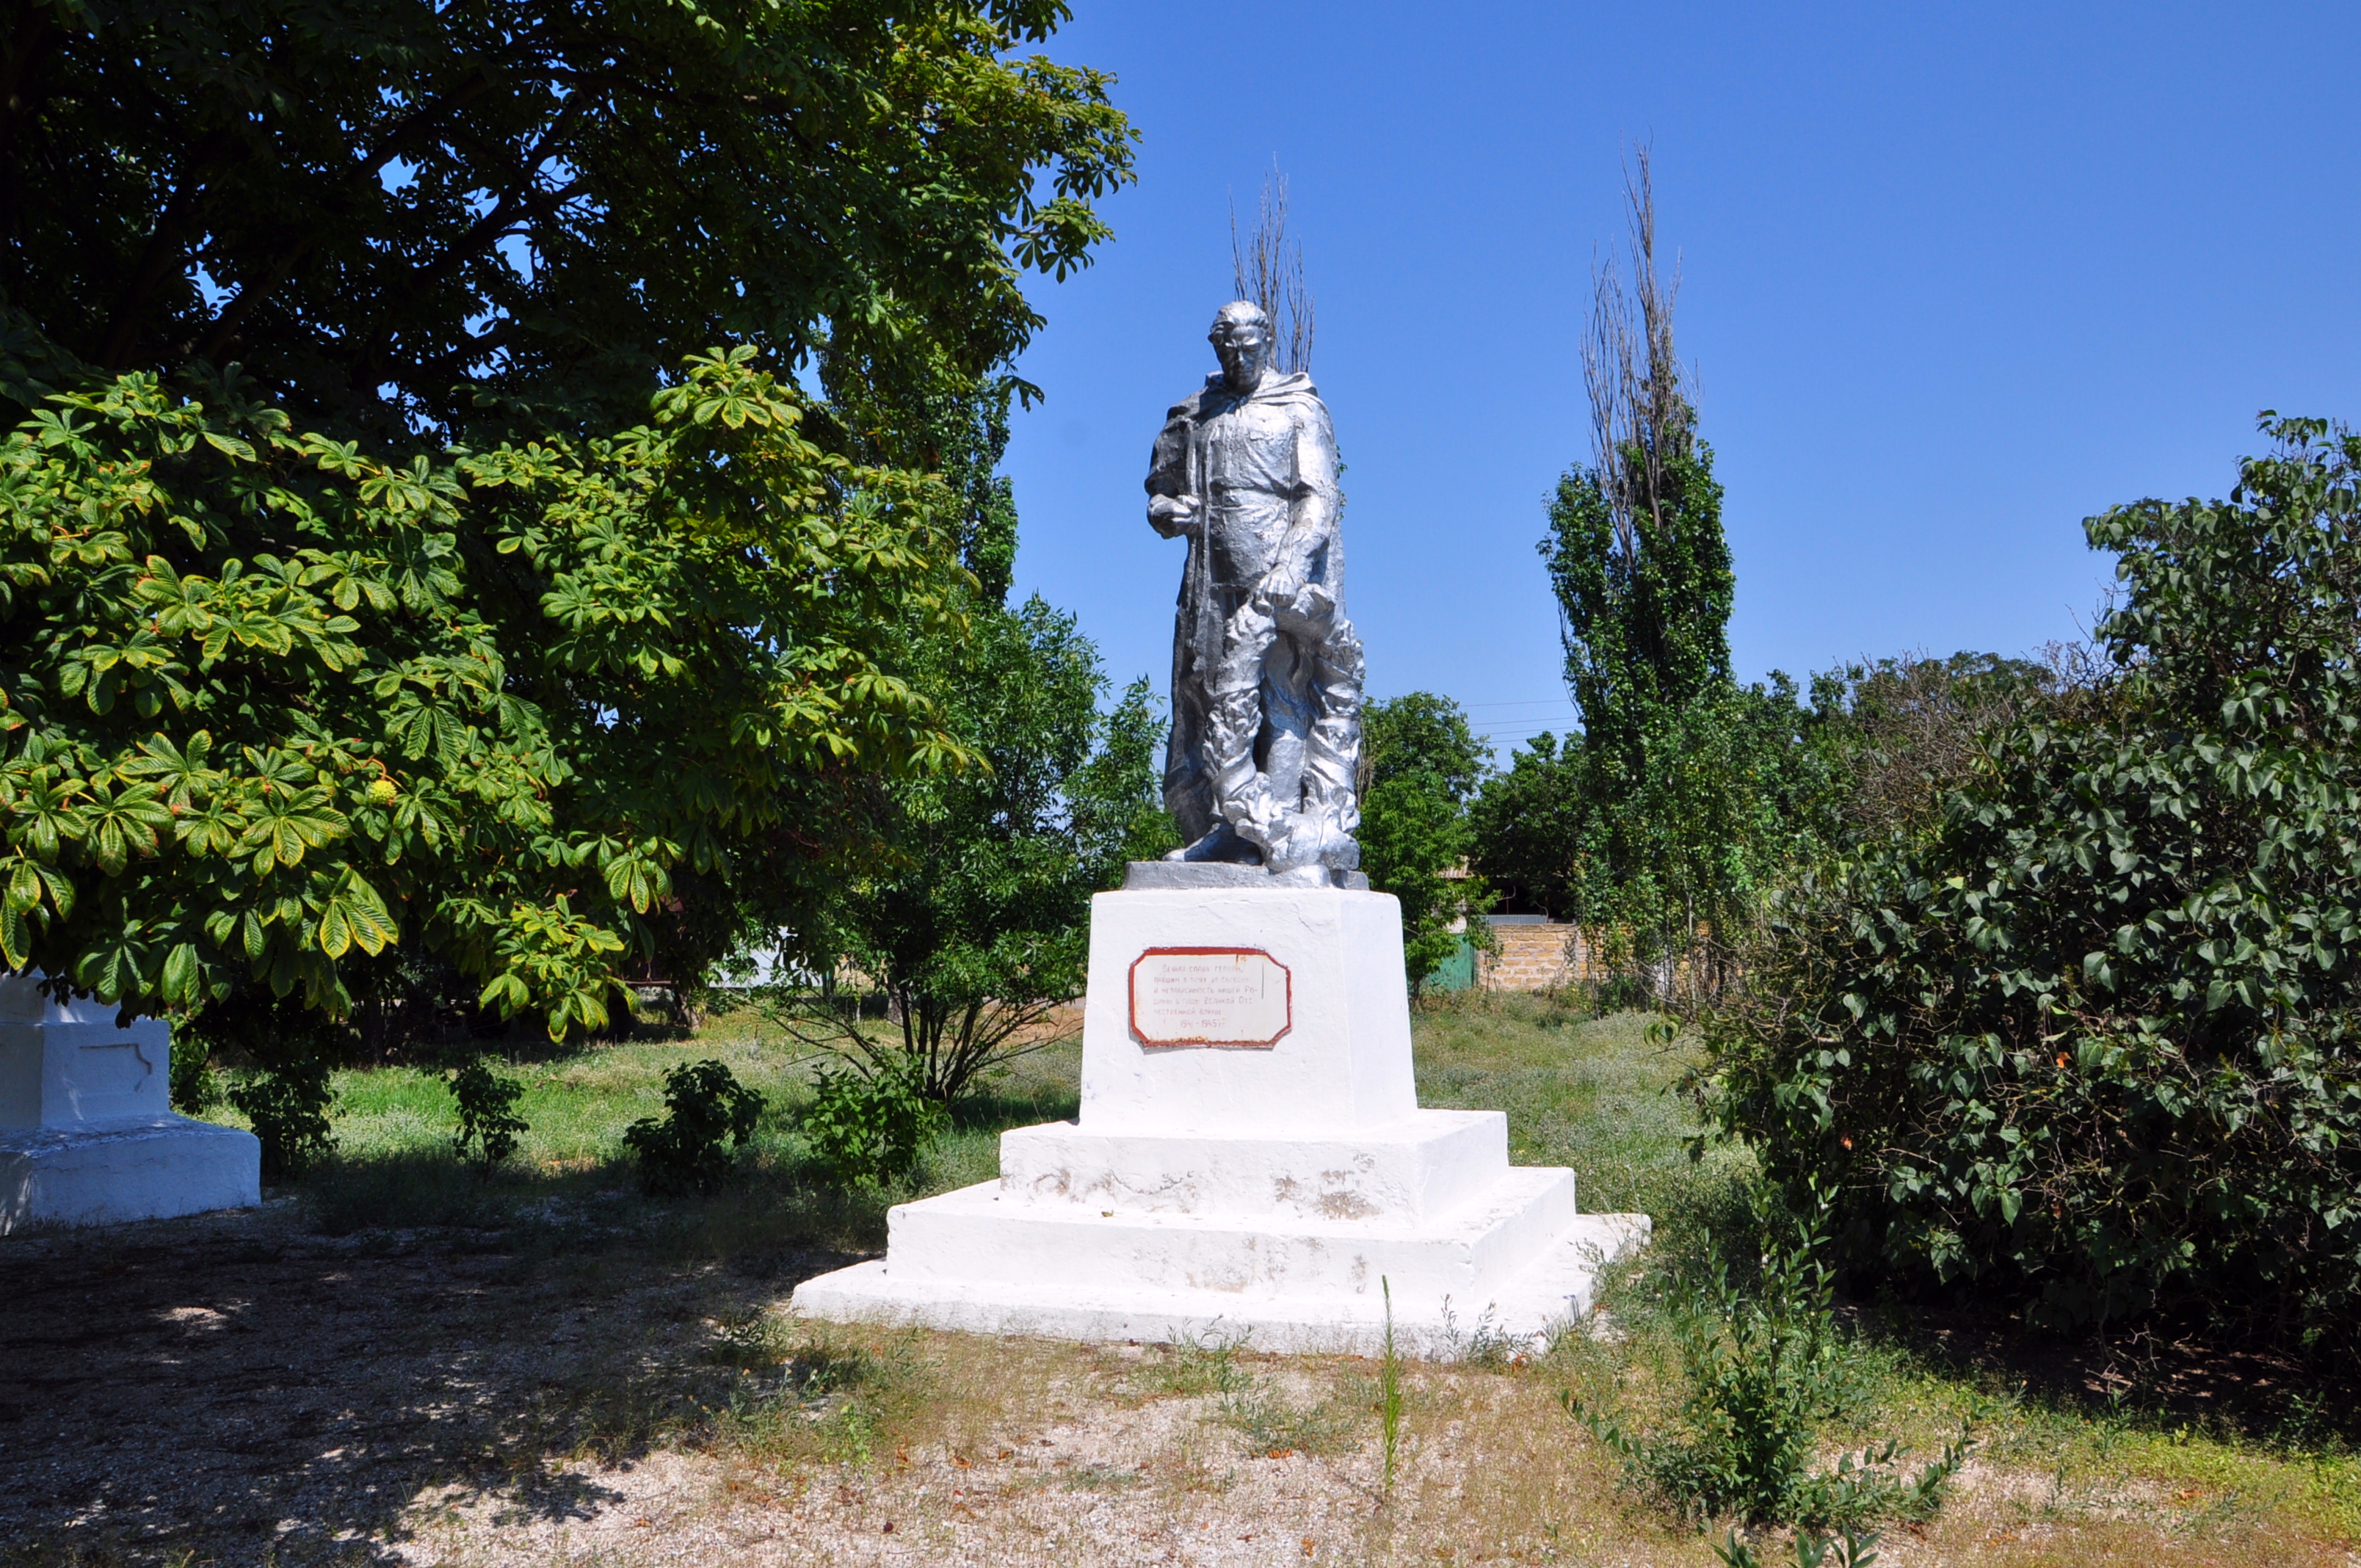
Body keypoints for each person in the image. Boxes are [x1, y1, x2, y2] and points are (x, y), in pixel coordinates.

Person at [1145, 300, 1363, 876]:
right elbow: (1158, 496)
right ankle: (1224, 828)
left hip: (1277, 577)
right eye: (1227, 348)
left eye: (1249, 346)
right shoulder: (1198, 412)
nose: (1239, 358)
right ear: (1215, 348)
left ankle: (1275, 825)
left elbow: (1318, 497)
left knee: (1280, 700)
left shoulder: (1299, 408)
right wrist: (1169, 512)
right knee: (1208, 693)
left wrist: (1291, 567)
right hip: (1209, 579)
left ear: (1269, 342)